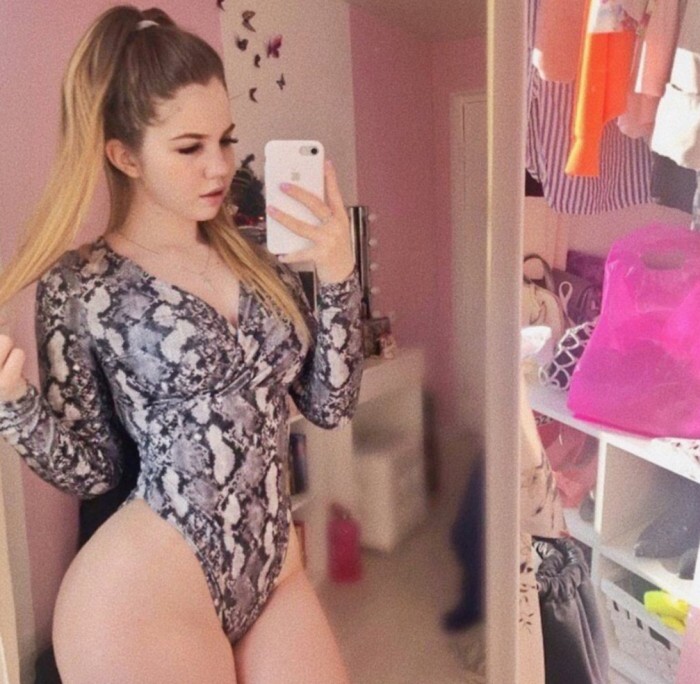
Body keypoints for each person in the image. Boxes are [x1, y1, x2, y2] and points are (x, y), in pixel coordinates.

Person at [0, 6, 363, 683]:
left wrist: (340, 273)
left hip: (274, 574)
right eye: (190, 147)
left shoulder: (259, 261)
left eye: (226, 140)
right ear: (125, 155)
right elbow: (95, 471)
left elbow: (331, 405)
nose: (220, 166)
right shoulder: (81, 285)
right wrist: (13, 403)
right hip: (145, 596)